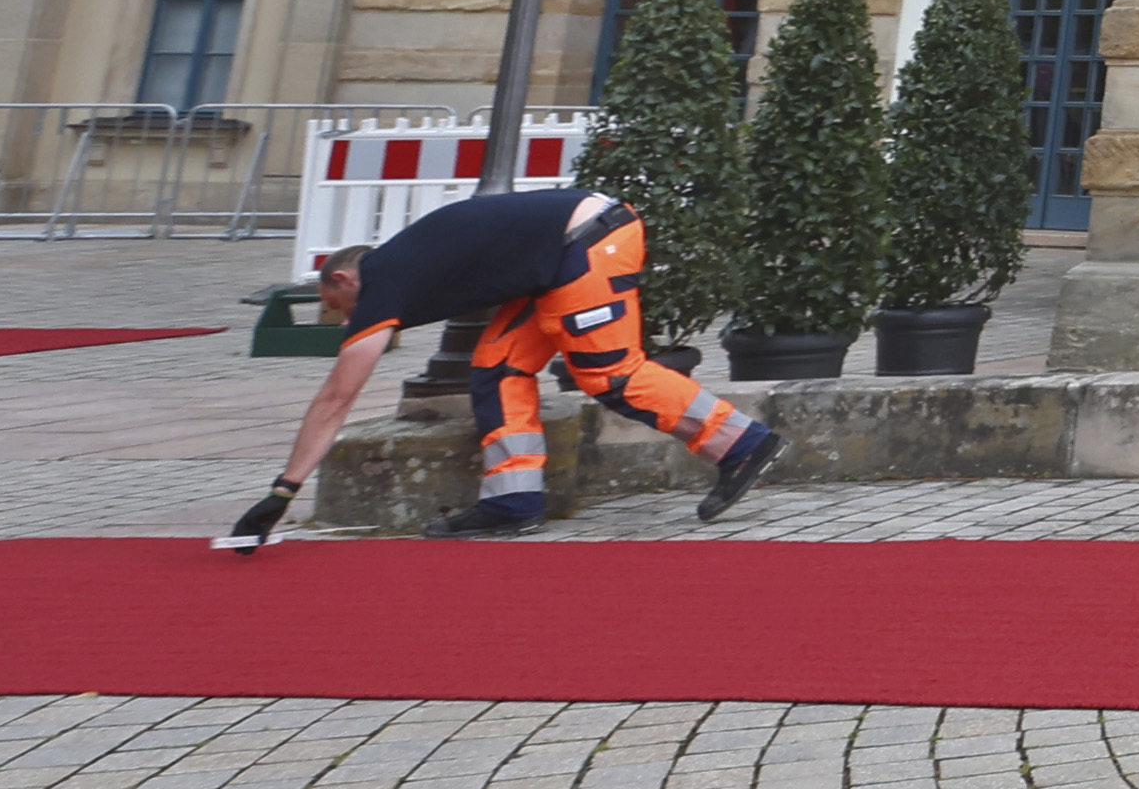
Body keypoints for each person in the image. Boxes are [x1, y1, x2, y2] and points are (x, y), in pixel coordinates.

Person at [226, 181, 785, 544]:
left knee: (608, 371)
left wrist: (282, 492)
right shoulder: (400, 267)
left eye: (335, 307)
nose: (342, 320)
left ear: (345, 279)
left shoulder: (382, 282)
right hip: (560, 253)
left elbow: (336, 400)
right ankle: (514, 500)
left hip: (590, 242)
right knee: (497, 368)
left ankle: (741, 444)